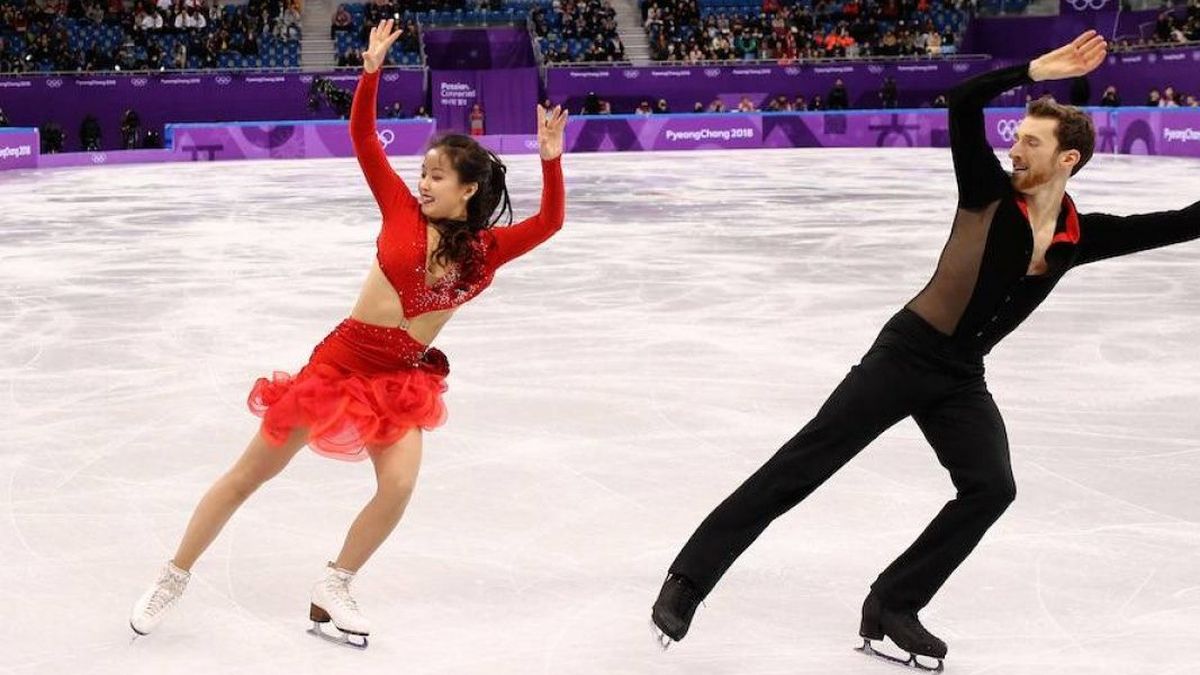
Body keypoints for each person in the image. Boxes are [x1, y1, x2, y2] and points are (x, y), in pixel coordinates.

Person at [653, 30, 1199, 670]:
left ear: (1068, 159)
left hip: (961, 376)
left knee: (991, 488)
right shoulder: (986, 191)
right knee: (803, 465)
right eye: (1016, 136)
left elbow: (1184, 220)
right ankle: (688, 581)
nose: (1013, 147)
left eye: (1031, 142)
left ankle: (893, 602)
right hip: (905, 355)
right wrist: (1031, 67)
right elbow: (962, 103)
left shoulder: (1081, 237)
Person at [129, 19, 569, 648]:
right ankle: (174, 575)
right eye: (422, 171)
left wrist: (551, 162)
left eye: (437, 176)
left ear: (469, 189)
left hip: (400, 380)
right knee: (247, 476)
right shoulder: (397, 207)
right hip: (339, 366)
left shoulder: (489, 251)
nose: (422, 182)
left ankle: (334, 585)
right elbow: (363, 135)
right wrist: (370, 72)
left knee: (398, 485)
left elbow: (550, 222)